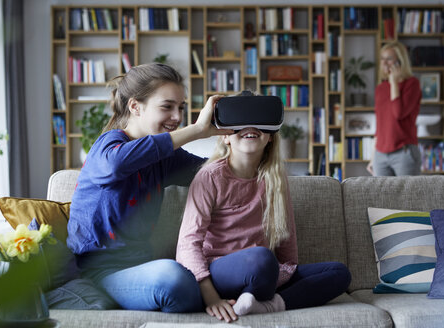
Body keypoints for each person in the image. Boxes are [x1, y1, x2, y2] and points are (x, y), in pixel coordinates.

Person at [66, 63, 232, 312]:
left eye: (181, 108)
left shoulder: (165, 157)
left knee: (203, 273)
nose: (177, 117)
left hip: (140, 267)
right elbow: (116, 165)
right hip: (96, 272)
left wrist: (239, 142)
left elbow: (212, 175)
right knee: (172, 278)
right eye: (167, 107)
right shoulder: (108, 144)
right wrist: (197, 130)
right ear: (135, 106)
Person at [176, 92, 351, 323]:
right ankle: (257, 294)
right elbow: (188, 243)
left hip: (265, 273)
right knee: (262, 258)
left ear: (270, 138)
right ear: (226, 138)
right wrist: (211, 298)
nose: (250, 126)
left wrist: (287, 271)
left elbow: (287, 239)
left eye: (259, 122)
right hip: (223, 271)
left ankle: (267, 305)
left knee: (339, 273)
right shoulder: (210, 177)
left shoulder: (275, 179)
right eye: (241, 123)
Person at [367, 41, 422, 176]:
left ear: (400, 62)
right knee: (382, 197)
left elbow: (398, 113)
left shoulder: (412, 84)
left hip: (404, 153)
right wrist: (373, 157)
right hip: (380, 155)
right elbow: (380, 126)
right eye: (382, 58)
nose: (384, 63)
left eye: (389, 59)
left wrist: (394, 83)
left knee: (408, 197)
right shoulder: (380, 89)